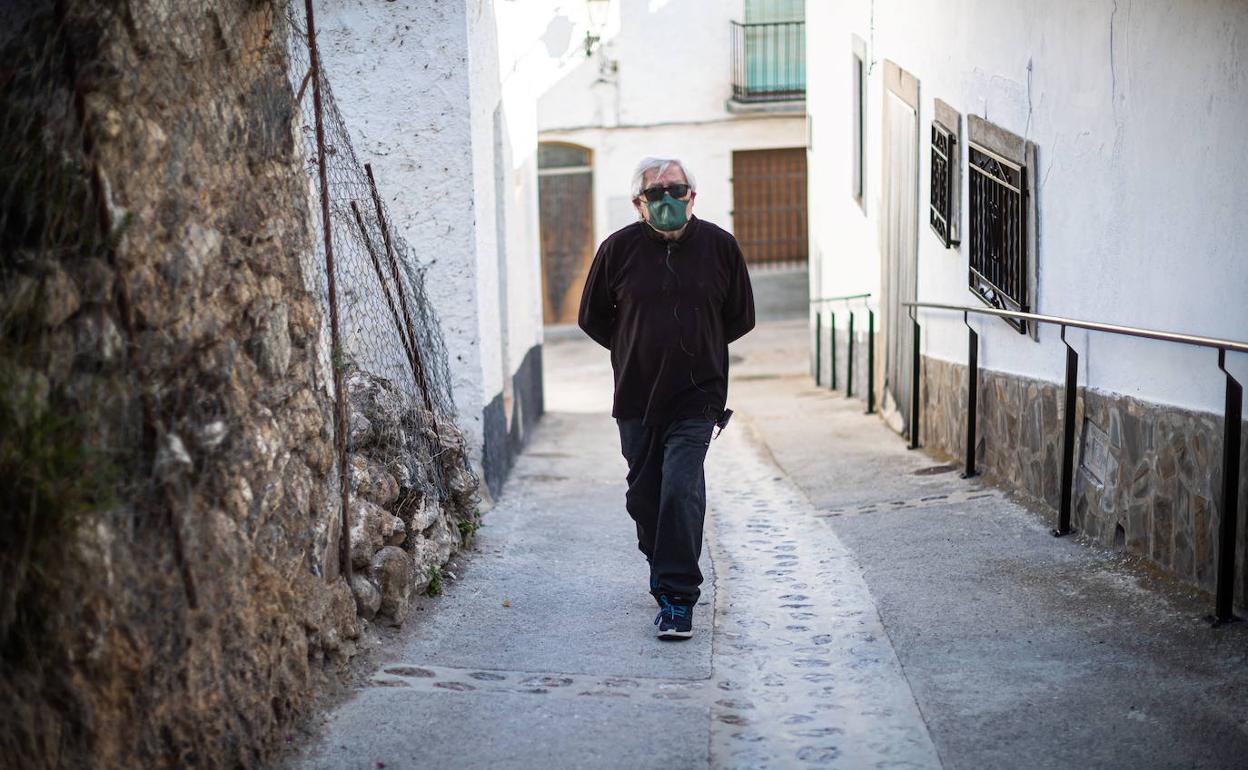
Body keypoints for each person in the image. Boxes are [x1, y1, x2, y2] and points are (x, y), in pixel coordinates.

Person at [578, 157, 755, 640]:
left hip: (698, 395)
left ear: (693, 196)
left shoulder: (720, 246)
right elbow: (592, 318)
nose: (668, 199)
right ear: (639, 205)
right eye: (656, 194)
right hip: (636, 393)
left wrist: (700, 349)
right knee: (645, 496)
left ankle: (678, 598)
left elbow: (740, 316)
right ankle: (661, 566)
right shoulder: (618, 250)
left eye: (677, 190)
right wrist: (637, 346)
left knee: (680, 488)